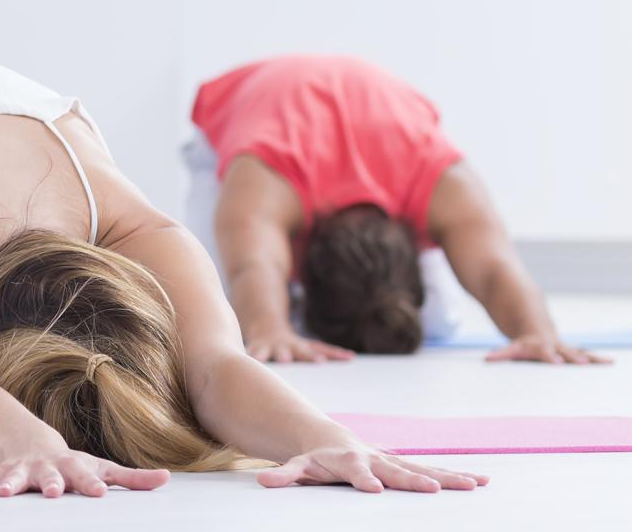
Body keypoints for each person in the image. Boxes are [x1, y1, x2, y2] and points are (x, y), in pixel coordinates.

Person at [0, 51, 488, 497]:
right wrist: (35, 446)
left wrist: (329, 440)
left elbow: (215, 363)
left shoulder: (141, 229)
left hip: (2, 106)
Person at [185, 54, 606, 364]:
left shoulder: (439, 181)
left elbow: (495, 267)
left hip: (380, 116)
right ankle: (280, 315)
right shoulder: (266, 175)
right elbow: (252, 266)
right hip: (243, 106)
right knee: (225, 303)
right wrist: (269, 330)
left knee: (433, 322)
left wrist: (536, 333)